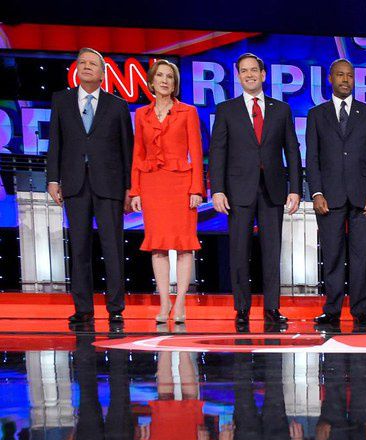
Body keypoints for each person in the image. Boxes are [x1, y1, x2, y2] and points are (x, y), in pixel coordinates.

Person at [210, 52, 302, 330]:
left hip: (273, 189)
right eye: (244, 71)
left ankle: (272, 308)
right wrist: (217, 189)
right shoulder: (226, 109)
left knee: (272, 251)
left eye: (254, 70)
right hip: (238, 190)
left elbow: (292, 151)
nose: (249, 75)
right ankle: (242, 309)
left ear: (263, 75)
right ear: (238, 77)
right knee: (239, 251)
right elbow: (218, 152)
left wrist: (296, 189)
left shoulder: (281, 109)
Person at [46, 48, 133, 328]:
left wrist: (130, 187)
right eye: (82, 62)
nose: (86, 67)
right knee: (80, 247)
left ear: (102, 73)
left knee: (113, 248)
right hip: (75, 183)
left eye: (92, 64)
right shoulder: (61, 100)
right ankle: (83, 309)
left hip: (110, 185)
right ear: (76, 69)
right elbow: (55, 142)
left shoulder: (117, 105)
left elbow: (127, 150)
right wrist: (53, 179)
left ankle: (115, 308)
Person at [306, 58, 366, 332]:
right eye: (340, 75)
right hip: (329, 197)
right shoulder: (317, 114)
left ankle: (361, 311)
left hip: (363, 197)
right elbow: (312, 158)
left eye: (349, 76)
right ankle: (332, 310)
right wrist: (316, 192)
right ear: (330, 78)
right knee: (332, 256)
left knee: (363, 257)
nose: (345, 80)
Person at [128, 60, 203, 324]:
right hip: (152, 184)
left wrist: (197, 188)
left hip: (181, 184)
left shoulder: (188, 112)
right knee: (157, 246)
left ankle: (180, 302)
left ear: (175, 83)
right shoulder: (141, 114)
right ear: (151, 82)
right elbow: (138, 153)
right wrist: (135, 190)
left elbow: (196, 152)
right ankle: (164, 301)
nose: (164, 80)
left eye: (169, 76)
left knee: (184, 245)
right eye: (159, 75)